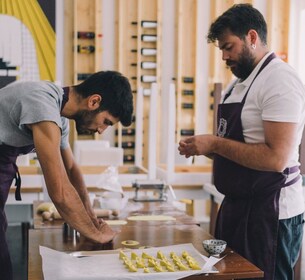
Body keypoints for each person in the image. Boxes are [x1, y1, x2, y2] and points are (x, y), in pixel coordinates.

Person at [178, 4, 305, 280]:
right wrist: (204, 147)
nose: (223, 56)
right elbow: (242, 148)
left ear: (251, 37)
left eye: (228, 47)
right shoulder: (240, 83)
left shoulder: (279, 80)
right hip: (239, 207)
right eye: (221, 49)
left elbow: (275, 158)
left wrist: (214, 143)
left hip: (269, 213)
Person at [0, 70, 133, 280]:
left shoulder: (58, 115)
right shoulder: (42, 103)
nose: (101, 130)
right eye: (106, 121)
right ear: (94, 101)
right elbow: (59, 190)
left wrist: (91, 217)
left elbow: (71, 169)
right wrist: (96, 234)